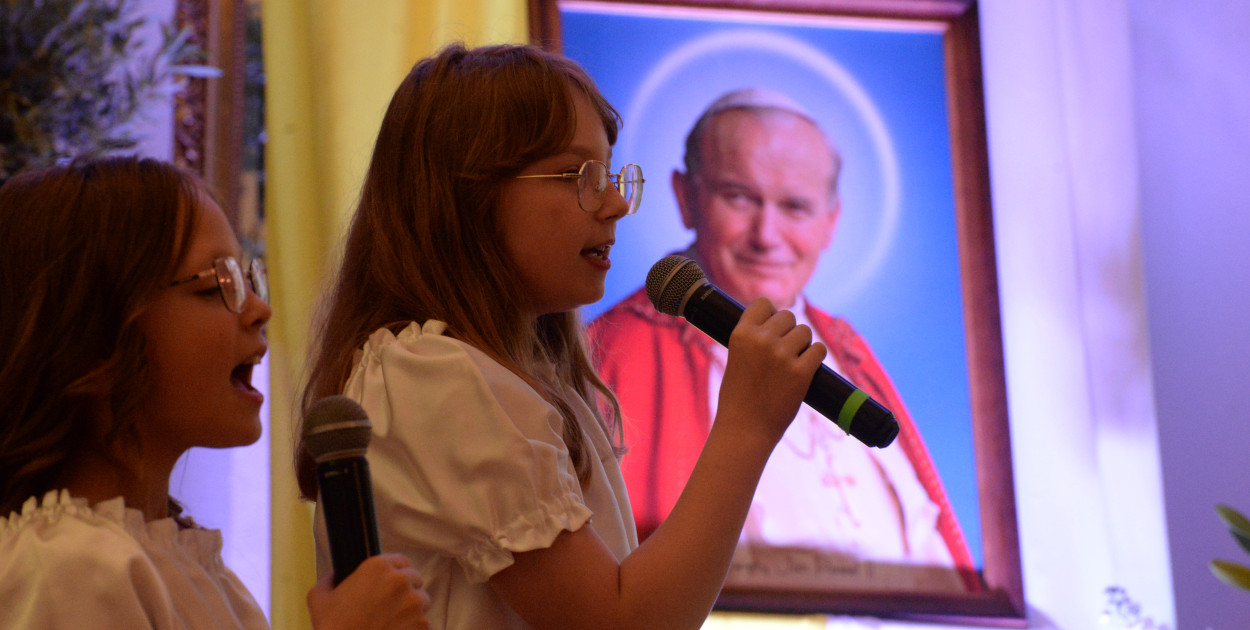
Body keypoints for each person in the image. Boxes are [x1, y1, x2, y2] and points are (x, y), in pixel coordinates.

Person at [298, 43, 826, 629]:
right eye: (580, 176)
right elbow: (620, 623)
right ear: (468, 195)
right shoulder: (434, 375)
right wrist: (747, 426)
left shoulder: (513, 378)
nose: (616, 203)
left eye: (611, 175)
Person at [0, 157, 431, 629]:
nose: (261, 309)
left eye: (248, 279)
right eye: (216, 286)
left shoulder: (190, 563)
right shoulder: (65, 569)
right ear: (92, 343)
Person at [588, 88, 979, 592]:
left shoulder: (848, 351)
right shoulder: (611, 353)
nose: (766, 235)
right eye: (739, 197)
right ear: (685, 197)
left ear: (831, 222)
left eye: (795, 207)